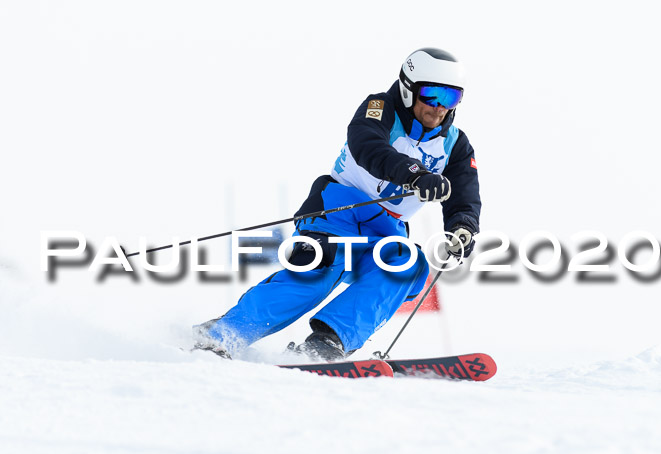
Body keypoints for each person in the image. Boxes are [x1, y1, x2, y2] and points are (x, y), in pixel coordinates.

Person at [193, 47, 481, 360]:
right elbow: (367, 145)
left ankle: (327, 342)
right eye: (431, 95)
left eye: (451, 98)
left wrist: (462, 228)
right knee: (321, 265)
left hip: (387, 230)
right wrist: (414, 174)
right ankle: (223, 334)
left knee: (405, 265)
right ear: (408, 89)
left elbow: (465, 195)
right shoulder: (380, 107)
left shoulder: (455, 145)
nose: (439, 108)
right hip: (337, 212)